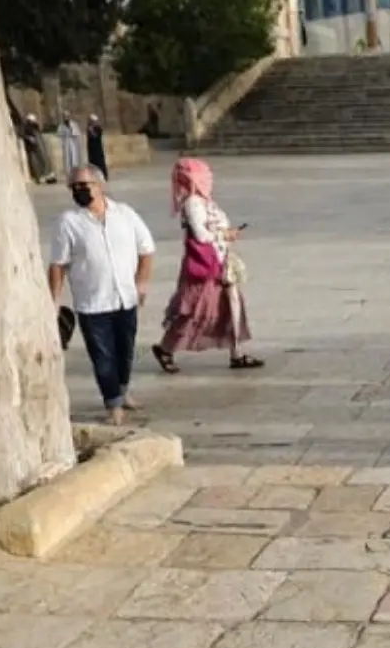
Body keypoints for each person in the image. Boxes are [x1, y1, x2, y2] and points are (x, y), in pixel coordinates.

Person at [46, 166, 155, 426]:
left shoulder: (125, 214)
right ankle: (113, 403)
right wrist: (54, 300)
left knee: (125, 350)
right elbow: (58, 264)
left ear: (100, 185)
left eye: (85, 185)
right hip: (92, 302)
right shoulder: (68, 222)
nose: (80, 190)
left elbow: (146, 249)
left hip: (124, 297)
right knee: (103, 356)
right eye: (74, 187)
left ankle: (123, 390)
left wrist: (141, 282)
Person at [153, 158, 260, 374]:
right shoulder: (193, 203)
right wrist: (225, 233)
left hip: (221, 262)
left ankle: (236, 352)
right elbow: (201, 236)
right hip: (205, 266)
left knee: (231, 306)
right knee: (196, 310)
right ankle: (166, 348)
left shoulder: (204, 201)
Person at [87, 115, 109, 180]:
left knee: (100, 162)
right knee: (93, 163)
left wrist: (91, 131)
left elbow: (96, 136)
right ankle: (93, 176)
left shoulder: (98, 128)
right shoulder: (88, 128)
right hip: (91, 149)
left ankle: (103, 176)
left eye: (93, 121)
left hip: (98, 149)